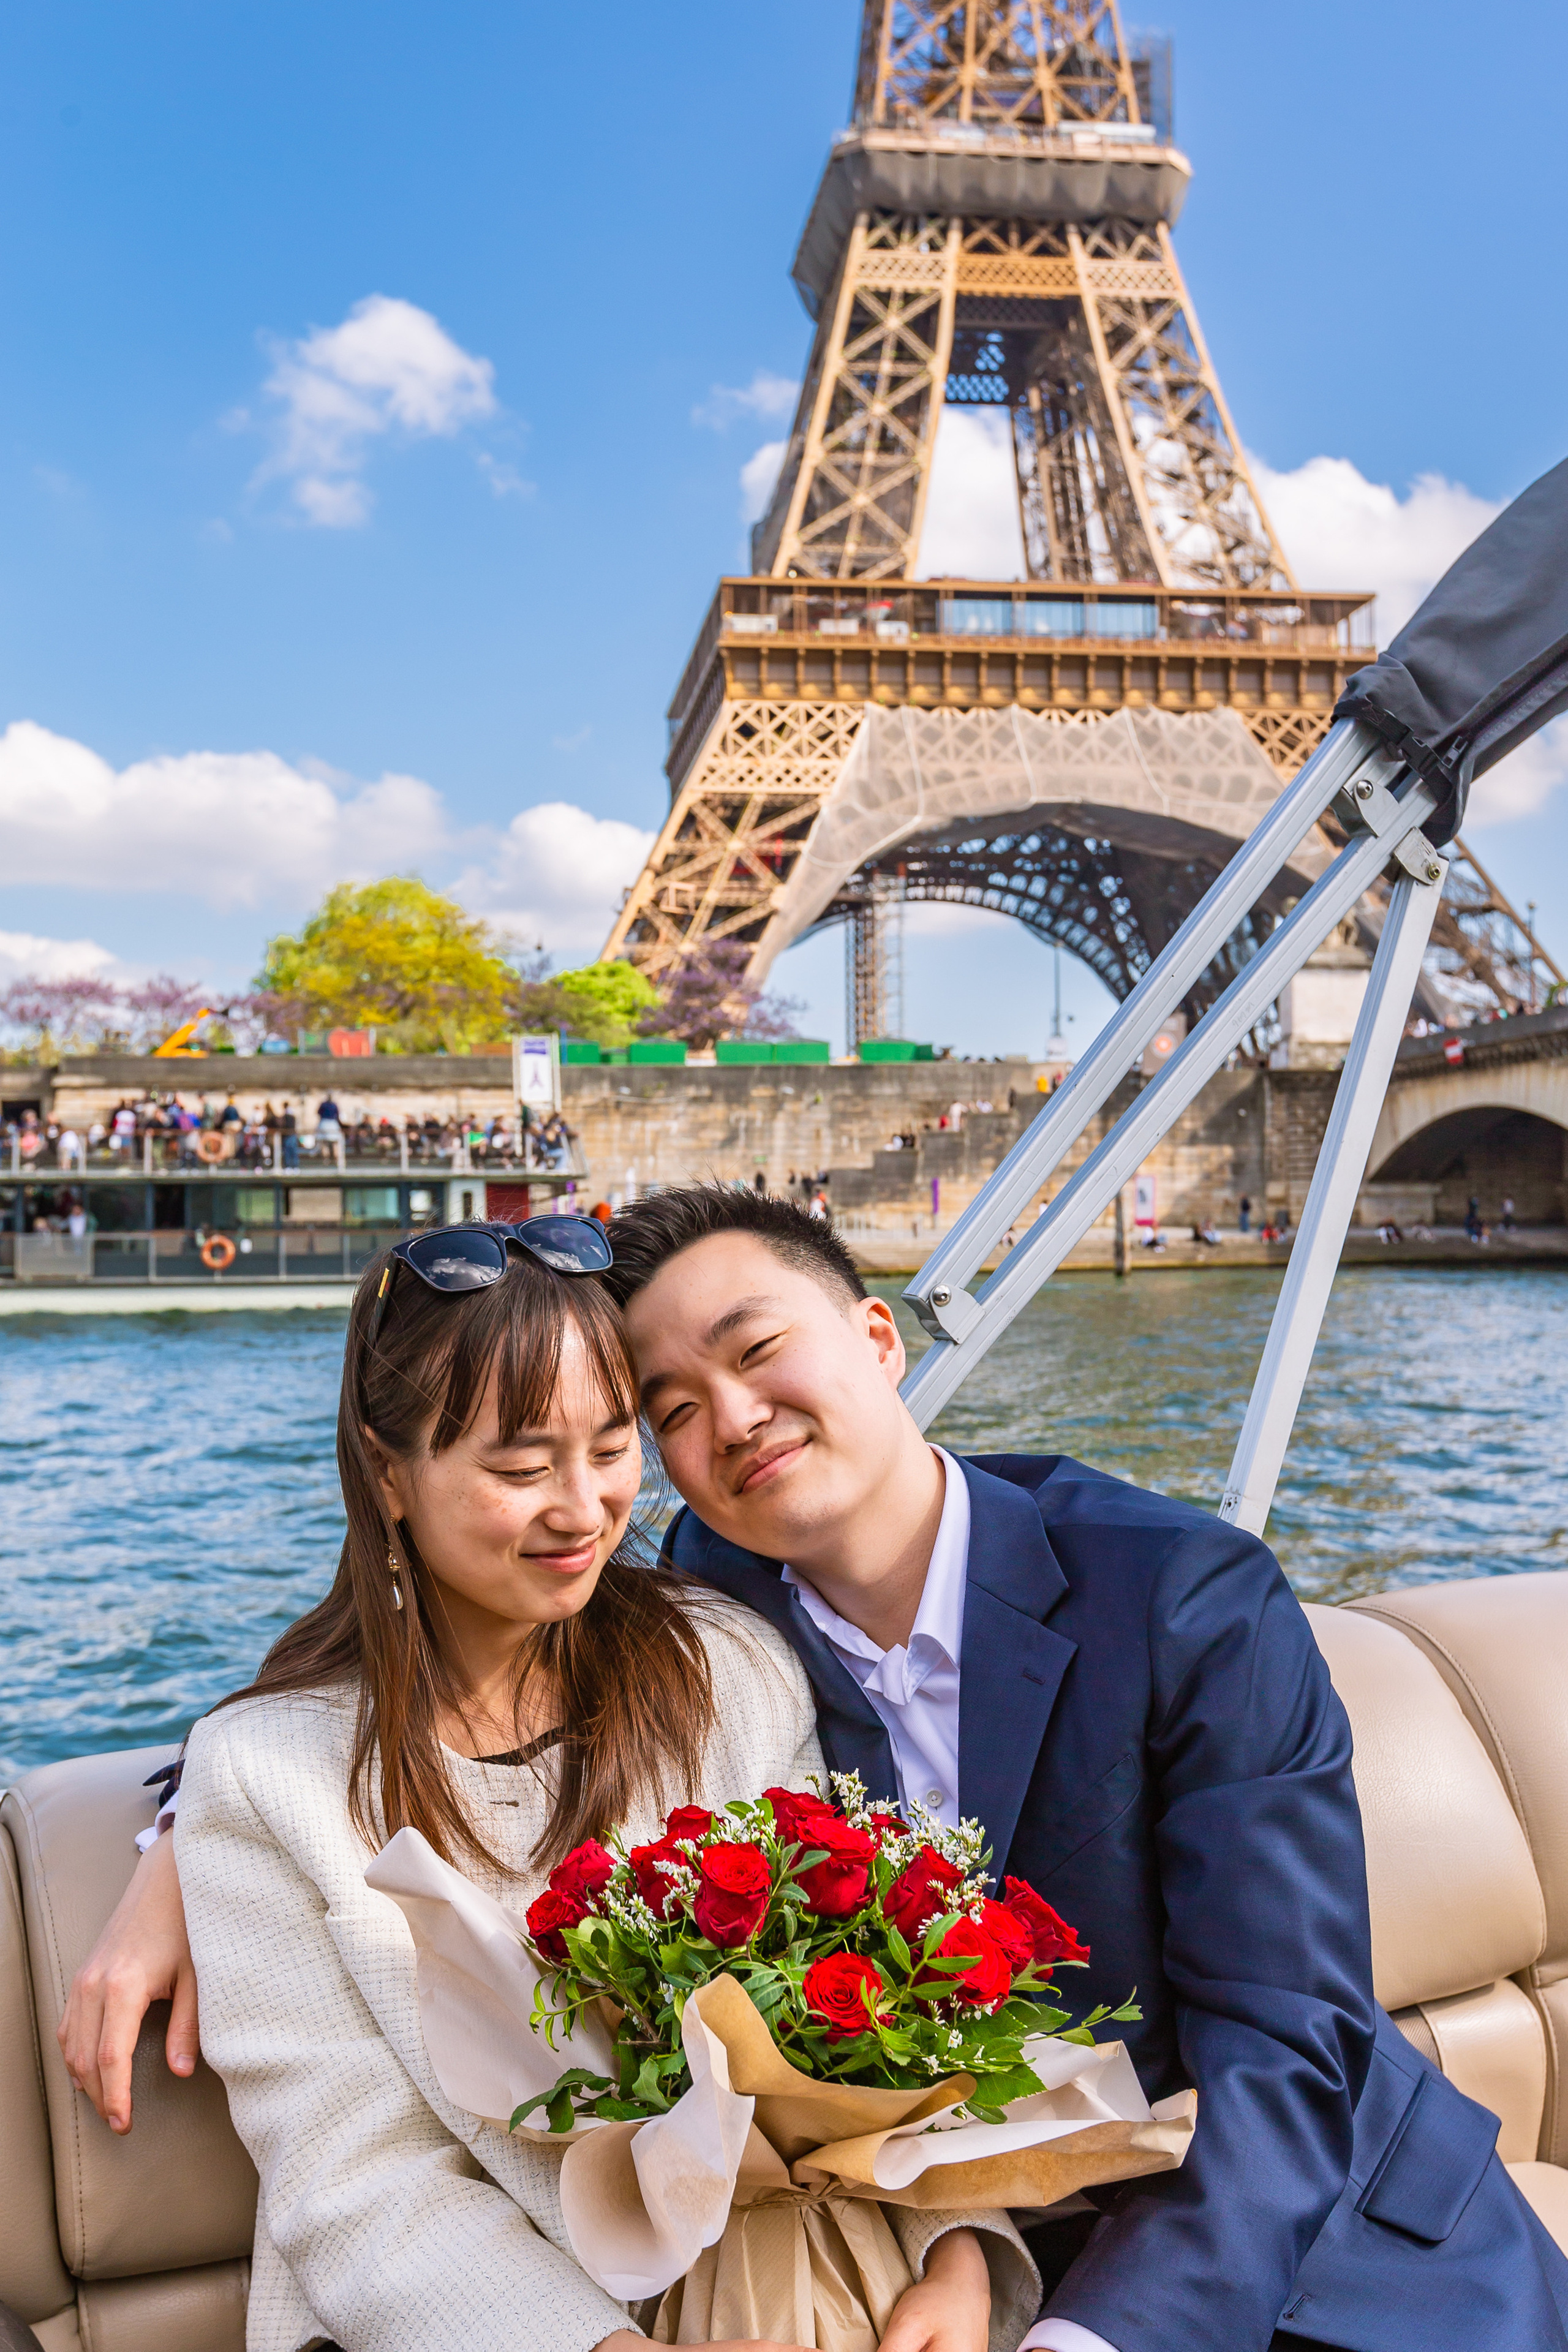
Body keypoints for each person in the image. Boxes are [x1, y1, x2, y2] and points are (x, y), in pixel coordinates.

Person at [64, 1189, 1568, 2350]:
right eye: (664, 1414)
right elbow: (384, 1708)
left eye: (753, 1353)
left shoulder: (1168, 1600)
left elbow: (1283, 2052)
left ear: (875, 1338)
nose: (717, 1430)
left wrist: (1007, 2283)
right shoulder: (729, 1613)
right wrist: (185, 1829)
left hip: (1293, 2244)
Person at [67, 1217, 1027, 2352]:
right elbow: (357, 2183)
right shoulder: (272, 1777)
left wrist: (961, 2252)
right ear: (387, 1474)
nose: (584, 1511)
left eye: (615, 1447)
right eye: (521, 1468)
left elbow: (867, 2010)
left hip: (786, 2273)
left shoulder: (727, 1664)